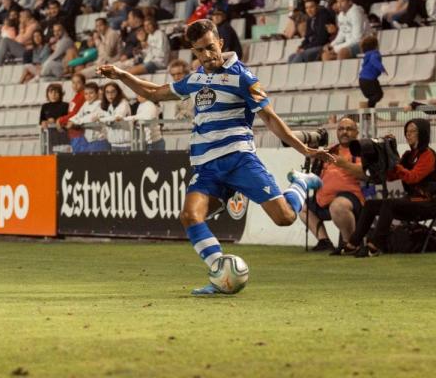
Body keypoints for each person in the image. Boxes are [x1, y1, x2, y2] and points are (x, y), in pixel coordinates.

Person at [99, 19, 334, 295]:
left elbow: (269, 118)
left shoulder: (243, 77)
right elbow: (154, 92)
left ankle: (301, 183)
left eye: (211, 47)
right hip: (206, 167)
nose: (207, 55)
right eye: (200, 51)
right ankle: (220, 276)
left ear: (220, 43)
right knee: (189, 216)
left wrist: (303, 149)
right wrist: (122, 75)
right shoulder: (196, 78)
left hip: (239, 159)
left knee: (284, 218)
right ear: (194, 52)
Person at [342, 119, 436, 257]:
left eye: (413, 131)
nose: (408, 134)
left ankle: (374, 247)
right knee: (370, 205)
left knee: (389, 203)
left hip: (432, 202)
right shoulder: (408, 155)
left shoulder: (428, 154)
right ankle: (352, 245)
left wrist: (394, 163)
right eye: (407, 131)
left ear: (422, 133)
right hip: (415, 200)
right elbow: (391, 178)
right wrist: (383, 159)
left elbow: (412, 177)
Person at [300, 118, 366, 252]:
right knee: (300, 204)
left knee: (338, 205)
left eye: (349, 129)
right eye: (341, 129)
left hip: (350, 198)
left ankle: (350, 244)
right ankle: (324, 241)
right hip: (323, 198)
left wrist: (343, 164)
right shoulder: (330, 150)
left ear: (357, 132)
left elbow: (364, 174)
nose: (344, 132)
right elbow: (315, 169)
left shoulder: (362, 149)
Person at [66, 82, 108, 153]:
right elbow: (78, 115)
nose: (88, 96)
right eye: (86, 94)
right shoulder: (86, 104)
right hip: (89, 140)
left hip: (100, 140)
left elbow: (89, 118)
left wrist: (76, 122)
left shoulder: (101, 104)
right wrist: (71, 120)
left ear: (97, 93)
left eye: (91, 93)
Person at [98, 82, 133, 151]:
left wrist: (101, 119)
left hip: (126, 145)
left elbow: (118, 117)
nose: (110, 95)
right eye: (107, 92)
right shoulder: (109, 106)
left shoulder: (123, 103)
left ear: (118, 92)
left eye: (113, 92)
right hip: (113, 144)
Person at [358, 36, 385, 108]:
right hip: (369, 80)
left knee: (377, 95)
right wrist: (382, 68)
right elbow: (374, 60)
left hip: (363, 79)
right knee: (377, 95)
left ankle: (369, 112)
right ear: (376, 46)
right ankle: (368, 110)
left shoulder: (367, 55)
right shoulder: (375, 54)